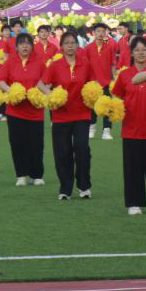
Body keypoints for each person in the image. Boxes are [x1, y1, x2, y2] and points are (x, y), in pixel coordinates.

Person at [112, 35, 146, 215]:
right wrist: (115, 109)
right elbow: (115, 96)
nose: (141, 53)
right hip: (131, 129)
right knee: (133, 168)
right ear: (132, 53)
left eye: (144, 50)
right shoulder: (125, 74)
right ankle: (134, 203)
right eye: (137, 50)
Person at [42, 29, 94, 200]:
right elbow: (41, 84)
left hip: (81, 115)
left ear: (77, 45)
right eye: (66, 43)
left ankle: (84, 186)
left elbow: (92, 84)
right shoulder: (55, 65)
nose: (70, 46)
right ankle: (65, 188)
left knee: (82, 149)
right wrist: (52, 96)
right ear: (62, 46)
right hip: (60, 116)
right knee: (62, 152)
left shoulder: (85, 63)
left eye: (73, 43)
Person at [0, 32, 47, 186]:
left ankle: (36, 175)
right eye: (22, 43)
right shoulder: (10, 62)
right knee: (18, 143)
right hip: (15, 111)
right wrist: (10, 91)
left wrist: (41, 93)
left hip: (35, 111)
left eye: (28, 43)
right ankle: (21, 175)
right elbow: (0, 81)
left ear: (32, 46)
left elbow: (47, 81)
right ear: (17, 46)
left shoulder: (39, 62)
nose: (25, 46)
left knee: (36, 144)